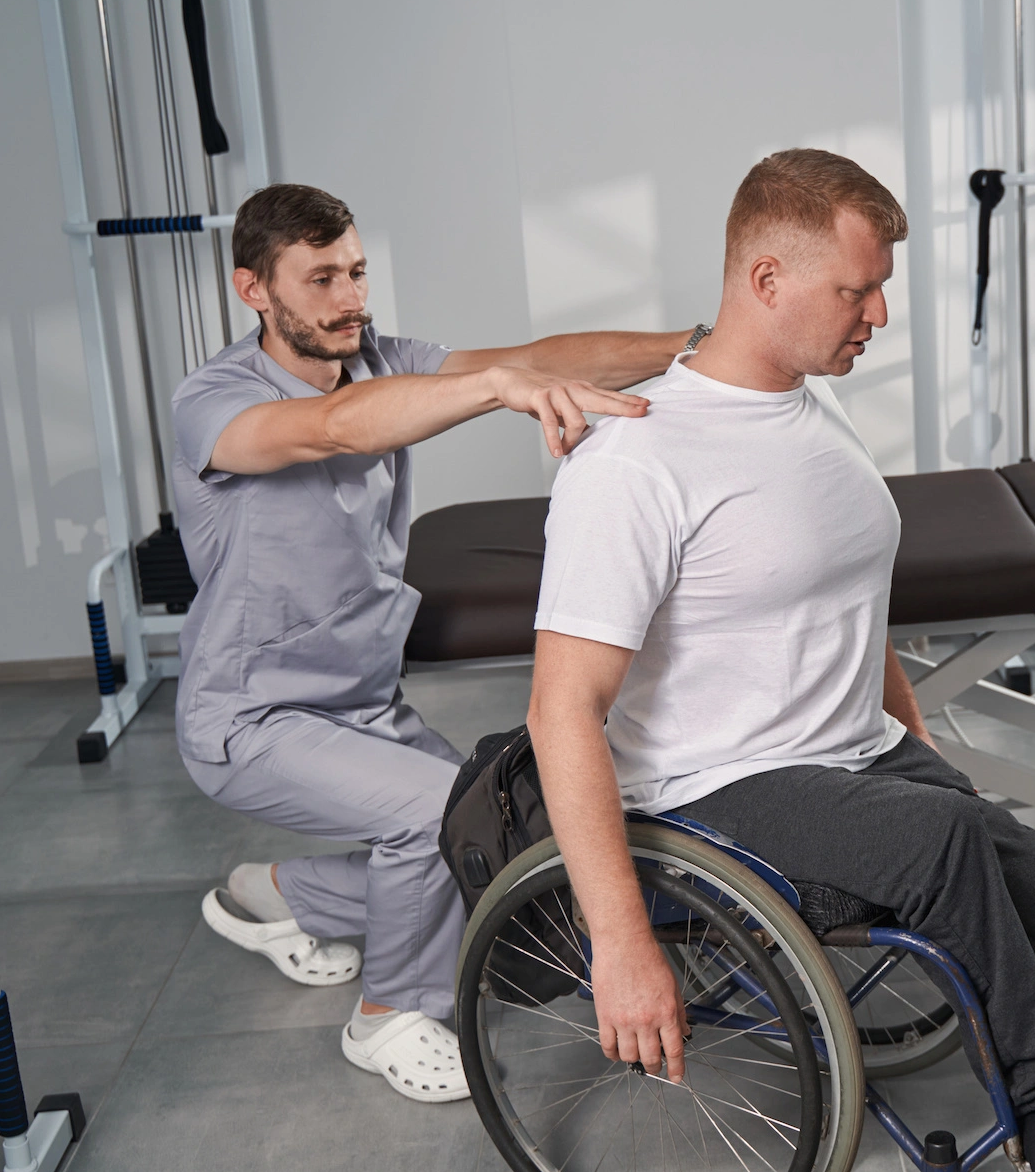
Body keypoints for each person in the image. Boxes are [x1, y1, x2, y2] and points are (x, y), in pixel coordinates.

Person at [527, 149, 1035, 1172]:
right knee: (952, 839)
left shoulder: (805, 410)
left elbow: (843, 598)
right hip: (710, 788)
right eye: (856, 289)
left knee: (997, 834)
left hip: (848, 756)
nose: (877, 313)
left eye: (882, 287)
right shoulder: (635, 464)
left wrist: (913, 743)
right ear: (766, 281)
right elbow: (561, 708)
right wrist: (622, 943)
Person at [172, 182, 682, 1103]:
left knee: (484, 832)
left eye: (357, 272)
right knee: (432, 816)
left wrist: (693, 346)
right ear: (255, 289)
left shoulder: (379, 360)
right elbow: (329, 429)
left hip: (364, 703)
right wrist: (488, 390)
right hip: (249, 716)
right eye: (320, 278)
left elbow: (540, 355)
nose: (348, 297)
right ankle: (385, 1018)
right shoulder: (212, 403)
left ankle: (281, 893)